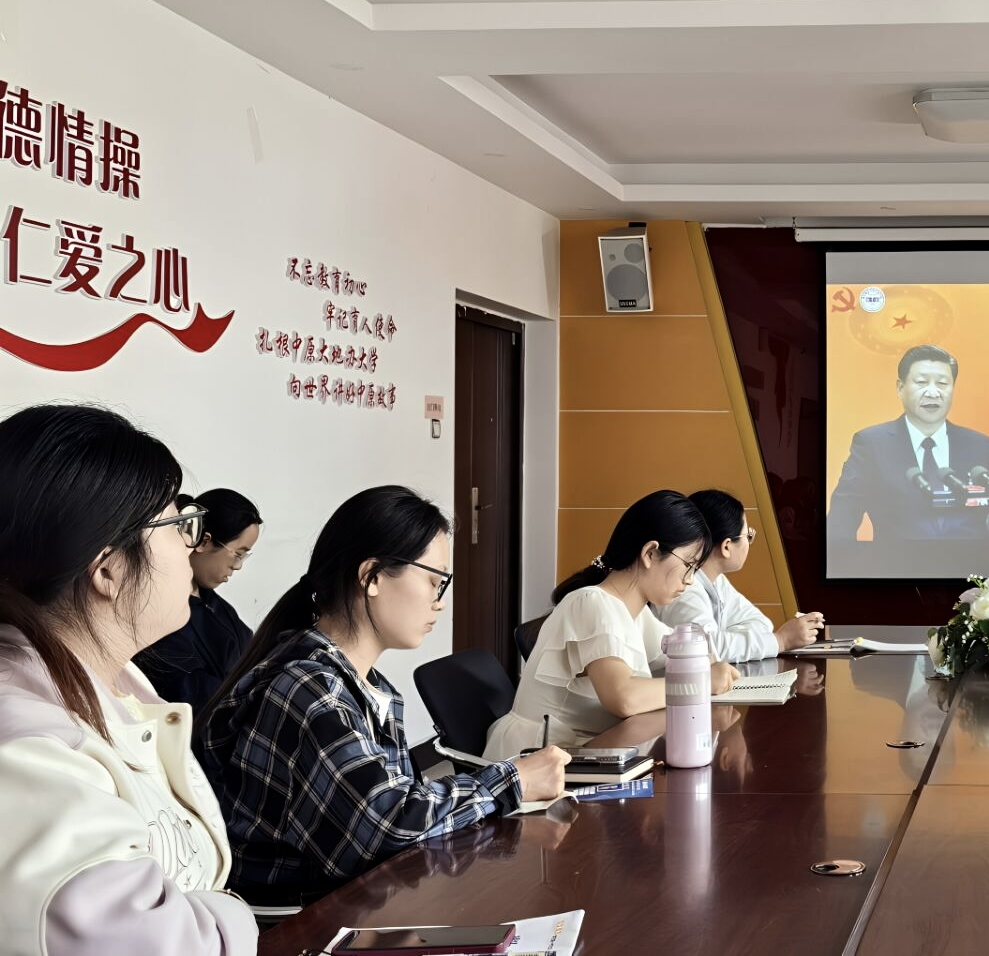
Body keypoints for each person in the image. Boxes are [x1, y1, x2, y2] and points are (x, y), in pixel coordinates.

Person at [198, 486, 568, 905]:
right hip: (304, 920)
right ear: (372, 577)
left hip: (357, 902)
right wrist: (513, 781)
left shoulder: (366, 684)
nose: (439, 602)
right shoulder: (309, 688)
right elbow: (385, 826)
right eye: (434, 581)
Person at [0, 404, 257, 954]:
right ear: (110, 569)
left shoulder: (119, 686)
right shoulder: (27, 748)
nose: (191, 546)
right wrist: (234, 914)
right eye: (178, 525)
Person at [485, 490, 742, 759]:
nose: (689, 580)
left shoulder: (635, 613)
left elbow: (689, 652)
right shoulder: (592, 602)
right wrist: (701, 681)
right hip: (535, 758)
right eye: (688, 565)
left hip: (580, 754)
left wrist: (707, 667)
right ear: (650, 553)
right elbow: (624, 698)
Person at [828, 344, 989, 541]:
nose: (933, 392)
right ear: (900, 388)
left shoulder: (979, 446)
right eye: (921, 382)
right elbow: (843, 516)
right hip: (901, 571)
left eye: (943, 383)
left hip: (972, 572)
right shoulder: (872, 444)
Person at [658, 488, 825, 662]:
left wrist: (728, 641)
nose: (749, 542)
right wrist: (781, 640)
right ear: (726, 546)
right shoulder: (683, 588)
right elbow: (707, 648)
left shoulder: (716, 580)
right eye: (748, 535)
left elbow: (762, 624)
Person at [134, 489, 261, 714]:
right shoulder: (159, 608)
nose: (238, 566)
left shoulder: (217, 605)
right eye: (238, 554)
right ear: (203, 541)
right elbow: (188, 691)